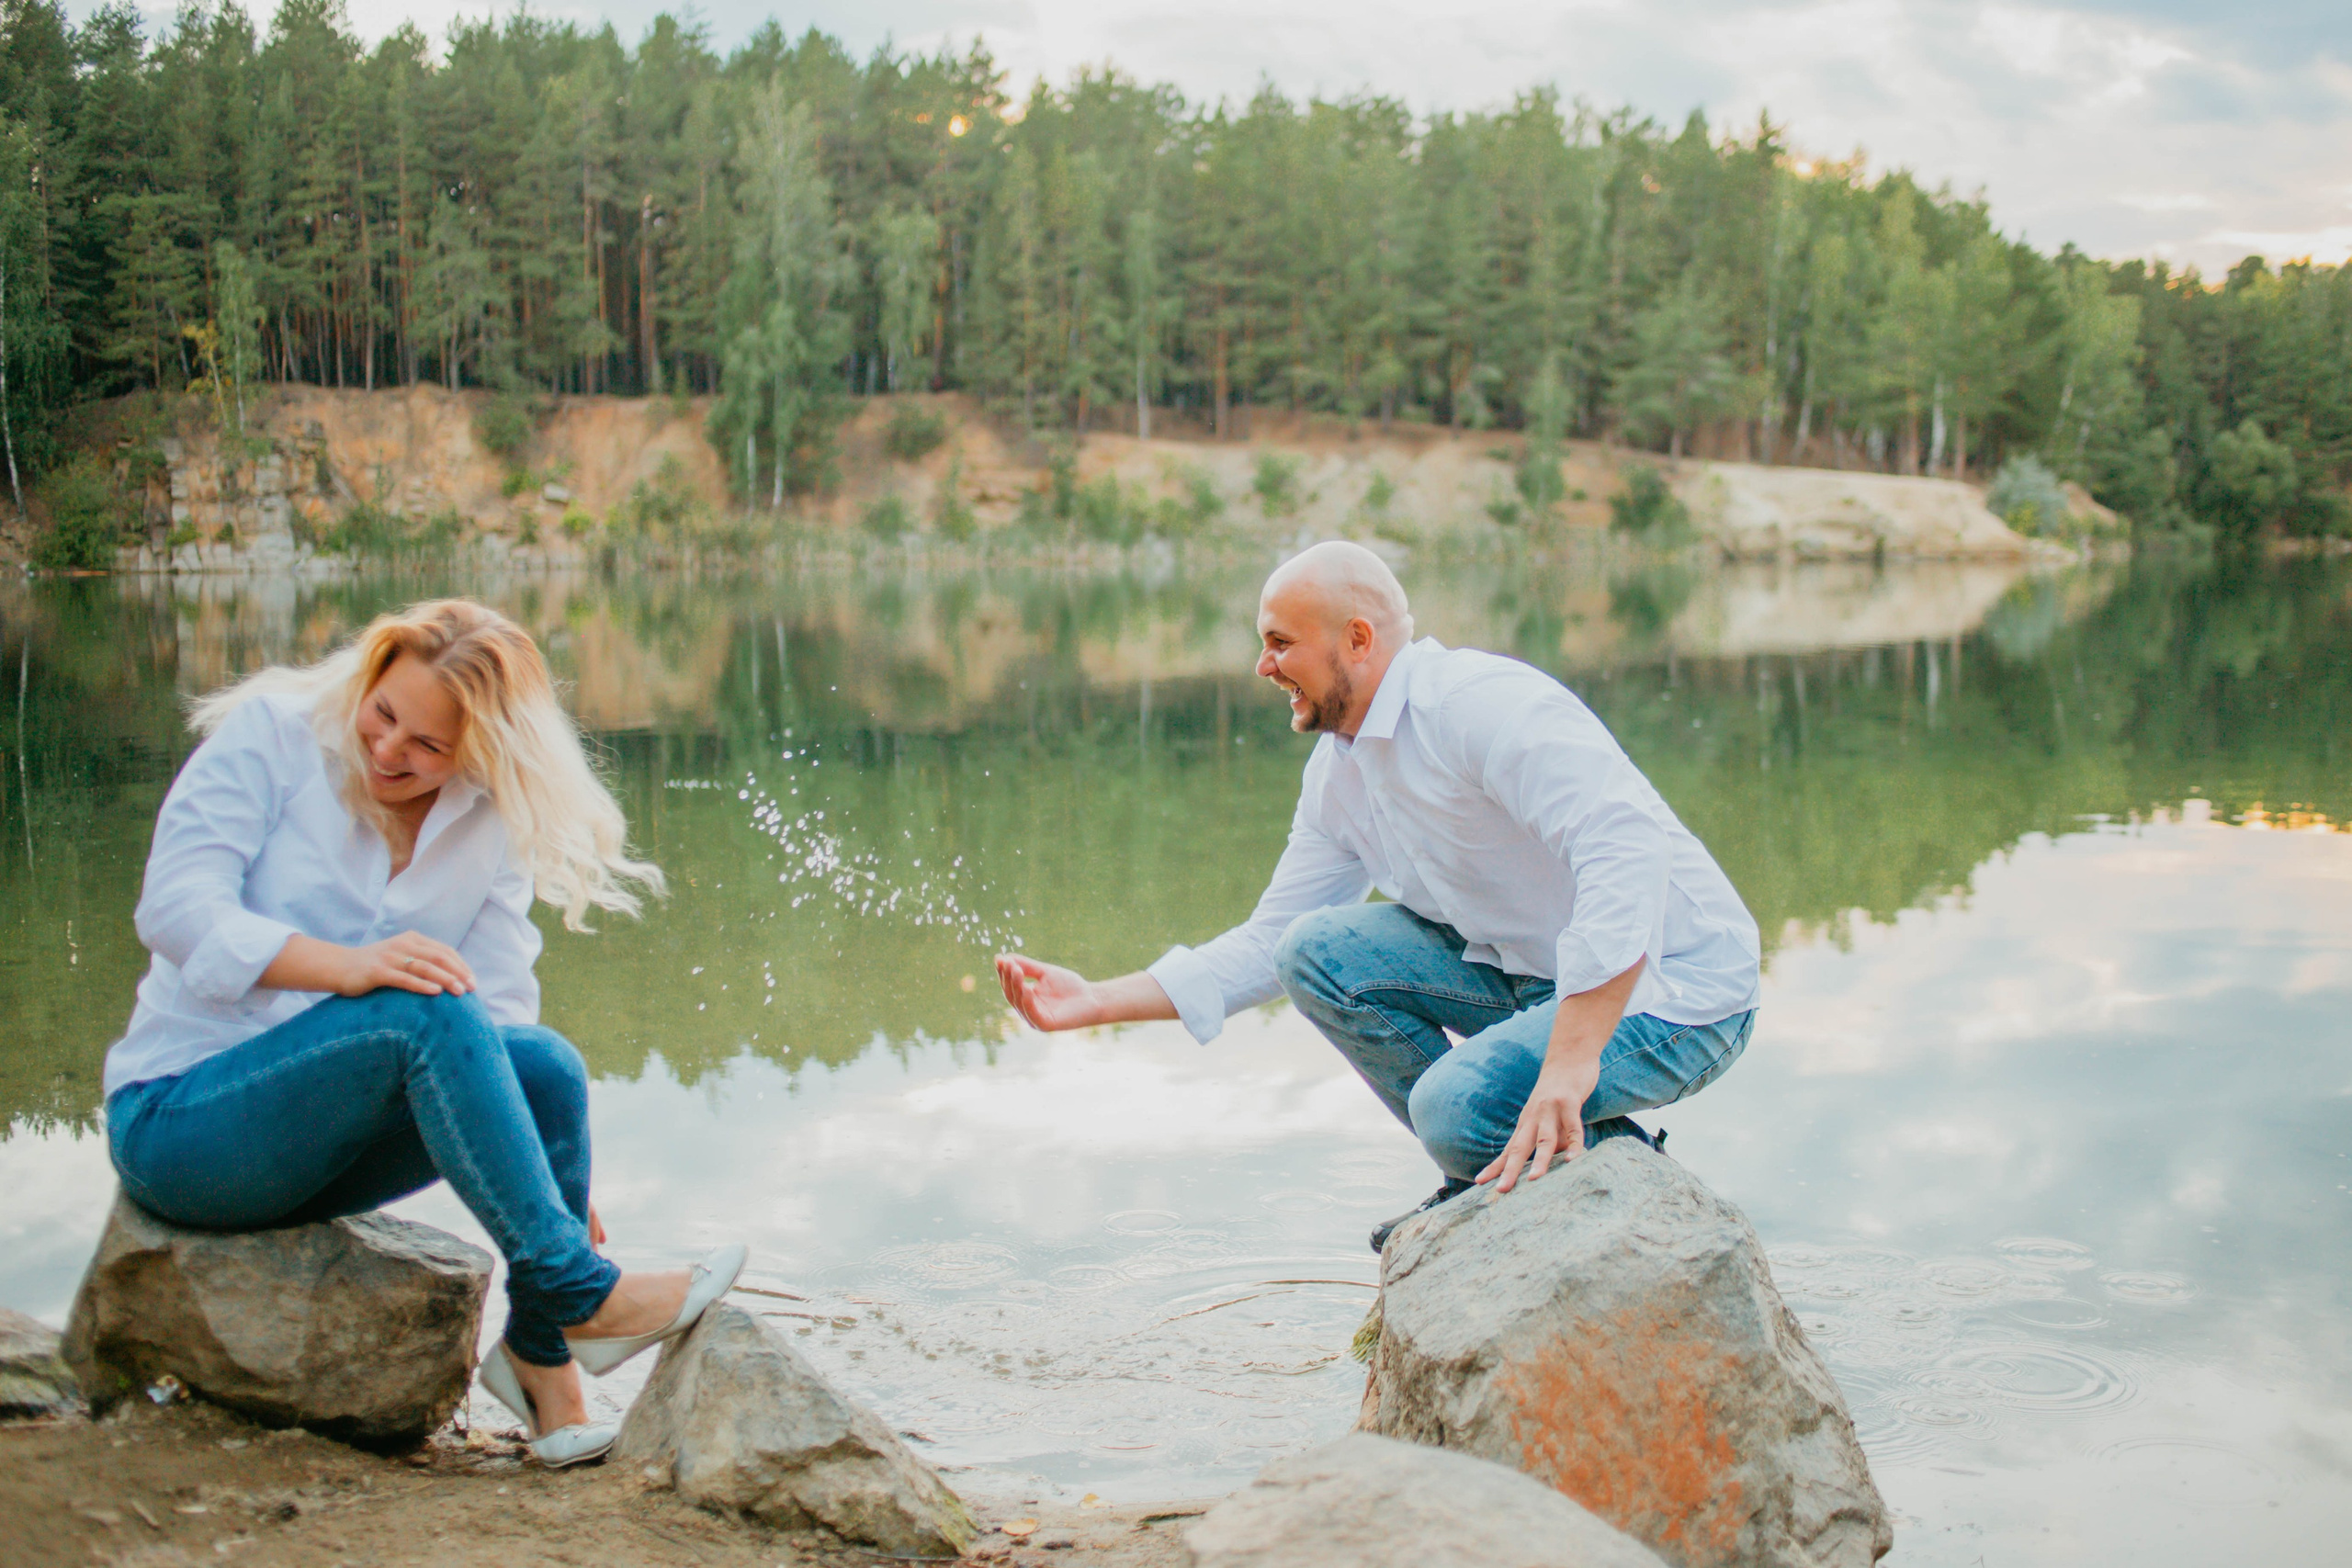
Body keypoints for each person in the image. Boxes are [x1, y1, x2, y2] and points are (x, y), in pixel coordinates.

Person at [103, 599, 743, 1467]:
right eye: (385, 712)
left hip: (318, 1152)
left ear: (478, 753)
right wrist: (348, 965)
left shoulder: (485, 816)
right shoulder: (274, 734)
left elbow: (502, 1007)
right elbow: (175, 910)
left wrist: (538, 1173)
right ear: (370, 678)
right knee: (423, 1001)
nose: (388, 749)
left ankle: (544, 1371)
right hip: (183, 1124)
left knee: (546, 1065)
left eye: (429, 746)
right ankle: (580, 1291)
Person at [996, 542, 1759, 1252]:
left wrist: (1569, 1063)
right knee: (1314, 951)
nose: (1263, 666)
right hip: (1538, 980)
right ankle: (1487, 1175)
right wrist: (1096, 999)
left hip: (1678, 991)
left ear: (1357, 639)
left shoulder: (1476, 703)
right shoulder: (1340, 774)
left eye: (1279, 642)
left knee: (1455, 1109)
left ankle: (1610, 1173)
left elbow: (1624, 844)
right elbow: (1271, 941)